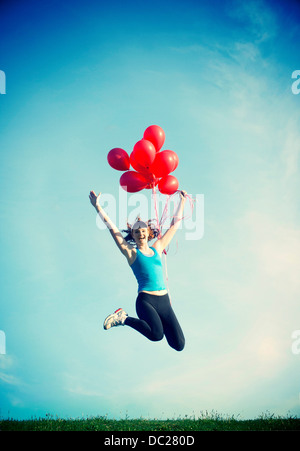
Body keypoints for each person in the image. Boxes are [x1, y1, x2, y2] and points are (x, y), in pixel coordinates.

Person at [89, 189, 187, 351]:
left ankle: (131, 319)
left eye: (143, 230)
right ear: (133, 235)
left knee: (179, 344)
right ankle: (123, 318)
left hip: (164, 301)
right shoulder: (131, 253)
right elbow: (113, 229)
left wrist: (182, 201)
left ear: (148, 233)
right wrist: (97, 207)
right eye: (137, 231)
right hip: (146, 301)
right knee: (156, 335)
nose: (140, 232)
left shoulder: (158, 247)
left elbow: (175, 225)